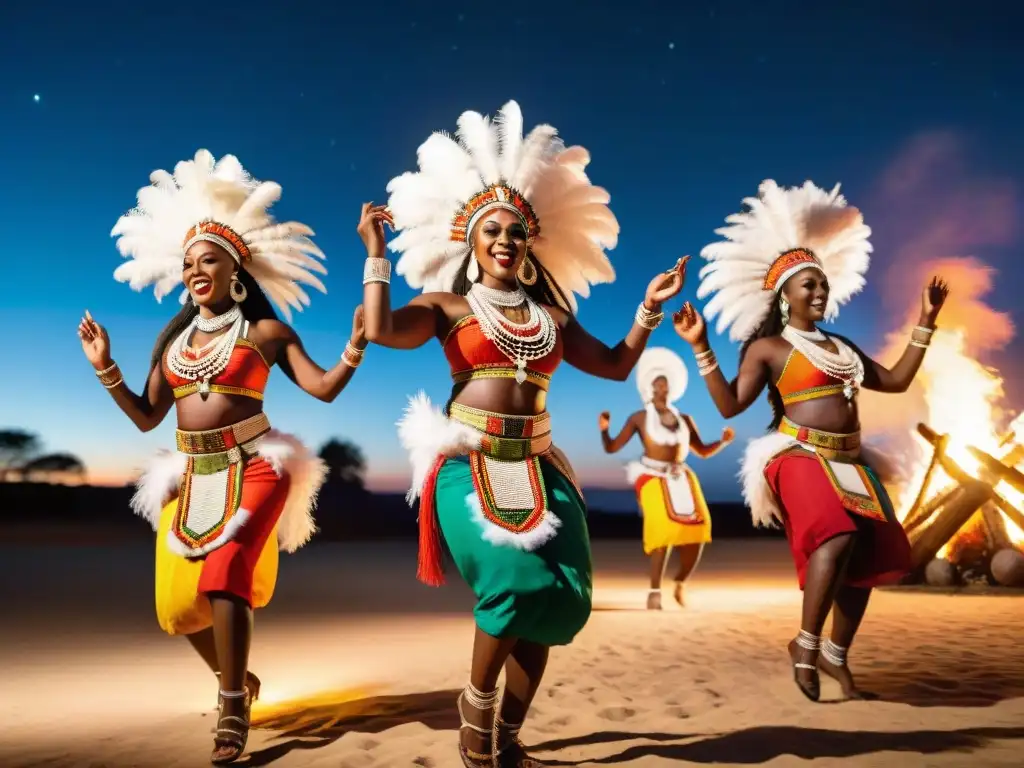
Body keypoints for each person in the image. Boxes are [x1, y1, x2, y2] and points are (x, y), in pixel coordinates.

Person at [358, 100, 685, 767]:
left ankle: (508, 736)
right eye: (492, 232)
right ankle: (474, 710)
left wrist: (649, 308)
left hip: (540, 465)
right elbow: (383, 332)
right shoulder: (446, 307)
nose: (505, 240)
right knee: (510, 583)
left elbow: (618, 365)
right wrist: (376, 257)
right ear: (472, 243)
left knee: (559, 598)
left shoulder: (552, 317)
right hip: (468, 463)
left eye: (515, 232)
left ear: (529, 243)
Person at [78, 149, 366, 764]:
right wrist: (105, 365)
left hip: (258, 465)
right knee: (178, 610)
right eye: (187, 263)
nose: (194, 270)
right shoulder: (174, 344)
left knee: (227, 569)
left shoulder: (266, 334)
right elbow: (146, 415)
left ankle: (231, 706)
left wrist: (354, 346)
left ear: (236, 270)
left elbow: (323, 388)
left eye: (207, 259)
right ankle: (238, 679)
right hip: (191, 473)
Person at [673, 179, 947, 702]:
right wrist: (701, 345)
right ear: (784, 294)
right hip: (796, 454)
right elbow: (731, 406)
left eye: (823, 284)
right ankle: (804, 644)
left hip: (850, 460)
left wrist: (925, 324)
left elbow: (893, 381)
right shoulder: (769, 348)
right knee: (836, 535)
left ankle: (835, 653)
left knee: (869, 553)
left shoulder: (842, 348)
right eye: (809, 285)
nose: (820, 292)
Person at [599, 347, 734, 609]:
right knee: (662, 529)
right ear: (650, 388)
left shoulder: (684, 419)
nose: (664, 386)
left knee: (699, 528)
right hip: (651, 476)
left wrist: (723, 442)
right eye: (658, 382)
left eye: (666, 382)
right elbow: (612, 448)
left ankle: (681, 582)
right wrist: (605, 431)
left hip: (682, 476)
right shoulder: (639, 418)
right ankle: (654, 591)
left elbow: (703, 451)